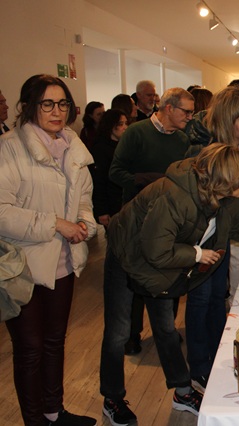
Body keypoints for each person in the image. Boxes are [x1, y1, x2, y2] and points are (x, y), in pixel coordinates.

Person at [100, 143, 239, 424]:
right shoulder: (175, 196)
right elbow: (156, 251)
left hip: (159, 258)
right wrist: (197, 254)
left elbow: (237, 229)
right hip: (126, 253)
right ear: (226, 180)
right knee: (118, 332)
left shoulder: (216, 197)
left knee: (166, 329)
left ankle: (182, 391)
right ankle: (112, 398)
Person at [0, 74, 97, 426]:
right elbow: (2, 212)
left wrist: (84, 224)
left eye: (63, 104)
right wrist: (56, 223)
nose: (57, 111)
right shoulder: (10, 147)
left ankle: (54, 412)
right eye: (47, 104)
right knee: (30, 349)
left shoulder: (73, 147)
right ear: (29, 106)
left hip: (64, 261)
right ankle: (34, 421)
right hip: (21, 267)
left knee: (55, 341)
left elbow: (84, 200)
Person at [185, 88, 239, 390]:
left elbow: (229, 213)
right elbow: (215, 204)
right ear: (228, 119)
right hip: (200, 242)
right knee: (202, 301)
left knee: (215, 299)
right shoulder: (209, 152)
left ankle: (213, 363)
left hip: (219, 237)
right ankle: (199, 372)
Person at [109, 88, 194, 355]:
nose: (190, 117)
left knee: (169, 276)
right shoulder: (136, 132)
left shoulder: (182, 139)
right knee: (135, 278)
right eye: (186, 112)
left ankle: (166, 330)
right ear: (169, 108)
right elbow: (115, 172)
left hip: (171, 220)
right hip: (137, 218)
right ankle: (132, 334)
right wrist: (145, 180)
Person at [89, 109, 128, 228]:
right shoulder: (100, 149)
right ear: (111, 126)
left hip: (123, 200)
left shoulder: (125, 146)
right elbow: (98, 181)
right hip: (111, 203)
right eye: (120, 124)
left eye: (126, 123)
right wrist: (102, 210)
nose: (125, 127)